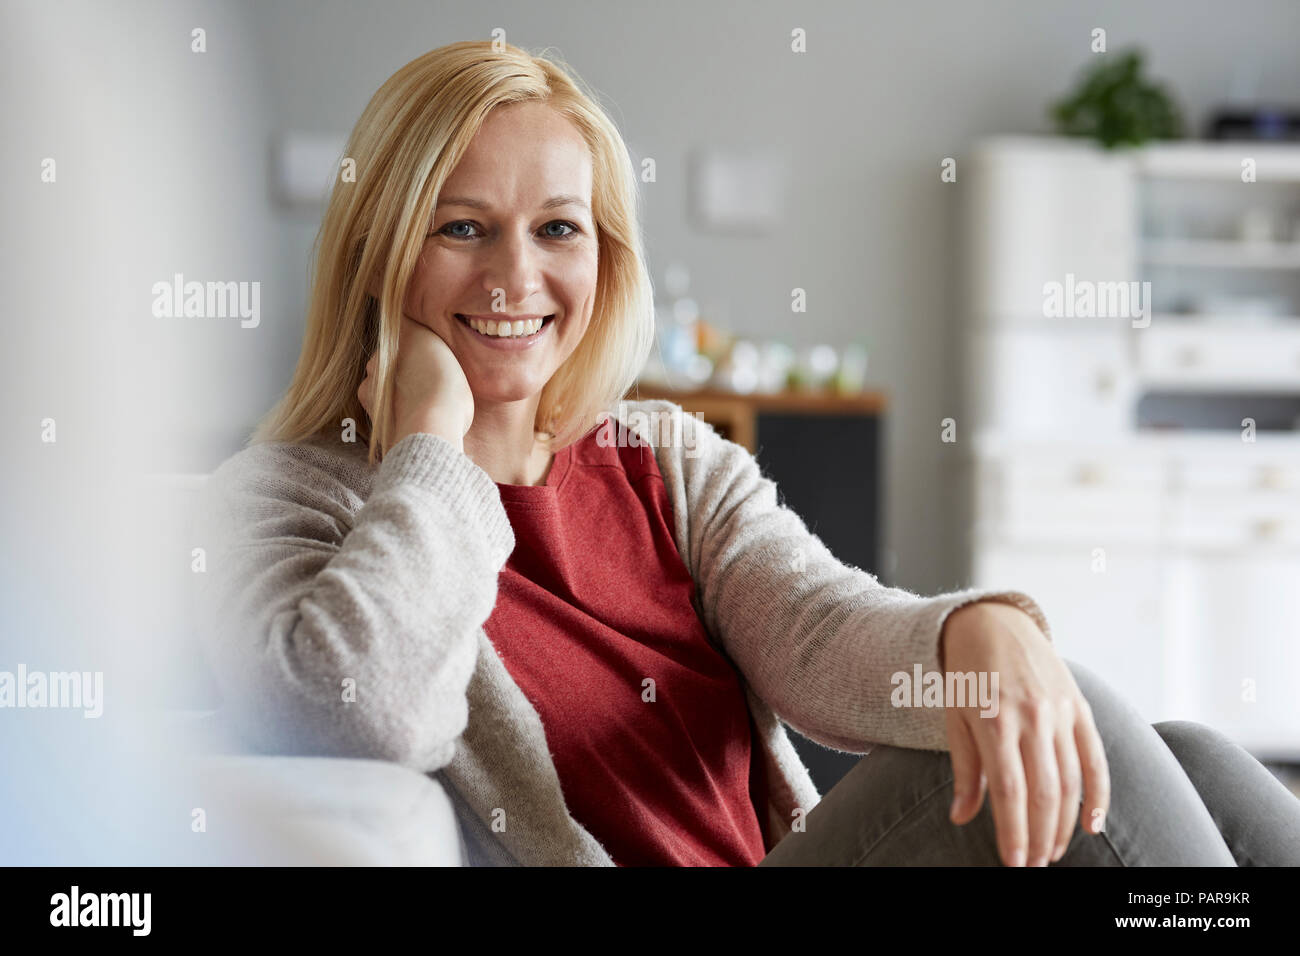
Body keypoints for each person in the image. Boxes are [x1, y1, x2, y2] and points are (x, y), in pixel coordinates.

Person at [194, 40, 1300, 867]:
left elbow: (819, 634)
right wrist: (430, 449)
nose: (514, 279)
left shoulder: (660, 456)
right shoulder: (281, 494)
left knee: (1183, 750)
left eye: (557, 228)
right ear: (379, 249)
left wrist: (979, 628)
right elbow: (360, 708)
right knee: (1092, 721)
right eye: (460, 225)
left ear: (605, 257)